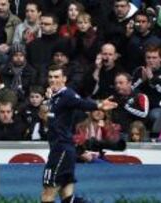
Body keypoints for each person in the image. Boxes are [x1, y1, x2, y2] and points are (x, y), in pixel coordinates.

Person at [40, 65, 117, 203]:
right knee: (68, 198)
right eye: (50, 77)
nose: (53, 80)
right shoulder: (54, 96)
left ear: (64, 79)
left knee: (47, 196)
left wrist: (98, 105)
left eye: (56, 77)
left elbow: (80, 103)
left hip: (61, 149)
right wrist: (47, 101)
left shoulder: (67, 94)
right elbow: (46, 116)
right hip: (62, 149)